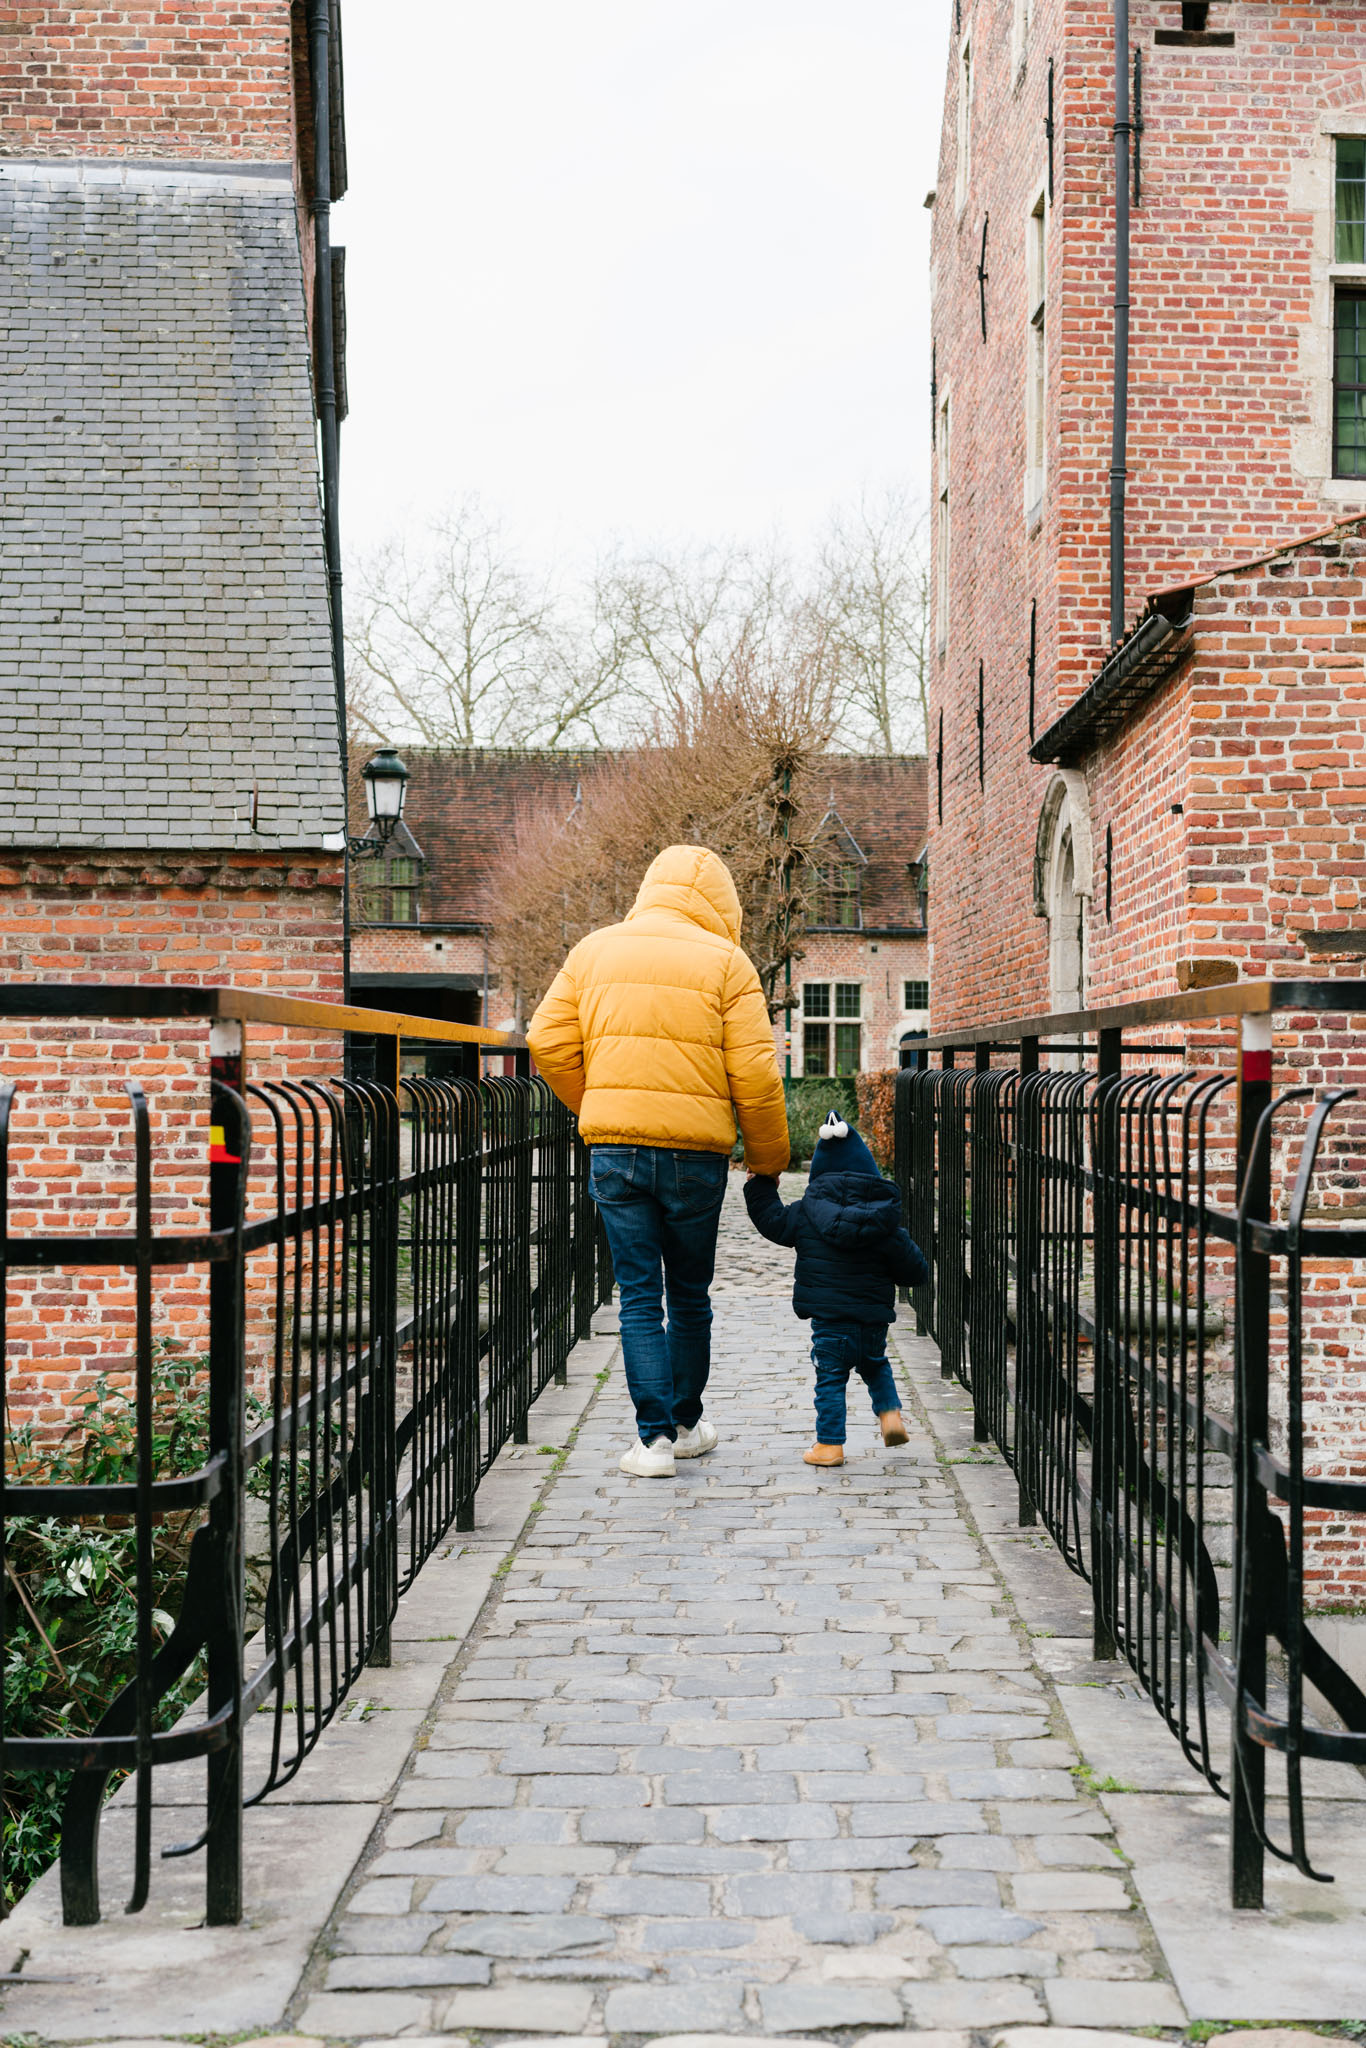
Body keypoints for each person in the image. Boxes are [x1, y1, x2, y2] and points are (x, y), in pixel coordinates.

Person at [528, 844, 789, 1477]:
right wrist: (768, 1158)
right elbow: (754, 1073)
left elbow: (546, 1039)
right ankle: (685, 1422)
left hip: (616, 1150)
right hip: (695, 1157)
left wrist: (598, 1104)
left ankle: (652, 1445)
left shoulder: (594, 950)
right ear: (721, 903)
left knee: (639, 1293)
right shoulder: (730, 963)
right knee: (690, 1292)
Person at [743, 1109, 928, 1468]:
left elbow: (771, 1222)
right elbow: (914, 1270)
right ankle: (890, 1416)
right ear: (869, 1173)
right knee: (876, 1367)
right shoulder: (884, 1221)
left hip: (830, 1324)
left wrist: (760, 1185)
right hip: (872, 1321)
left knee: (830, 1380)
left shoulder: (805, 1213)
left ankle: (829, 1445)